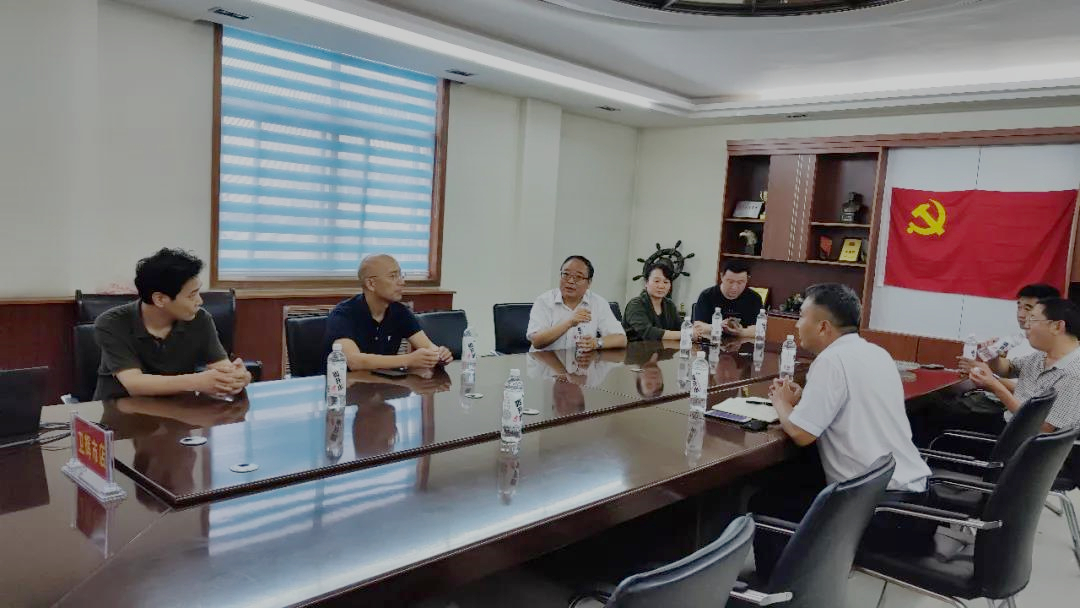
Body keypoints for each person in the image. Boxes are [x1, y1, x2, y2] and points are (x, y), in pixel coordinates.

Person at [750, 283, 932, 574]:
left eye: (802, 316)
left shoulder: (831, 361)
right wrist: (805, 399)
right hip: (913, 502)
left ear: (823, 327)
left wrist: (781, 402)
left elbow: (801, 434)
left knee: (768, 501)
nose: (797, 324)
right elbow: (853, 404)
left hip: (879, 511)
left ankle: (778, 590)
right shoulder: (876, 353)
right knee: (798, 481)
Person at [93, 248, 251, 400]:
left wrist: (237, 377)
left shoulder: (200, 319)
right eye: (192, 295)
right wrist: (198, 381)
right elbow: (134, 384)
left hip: (176, 410)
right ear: (160, 299)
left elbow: (222, 367)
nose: (200, 301)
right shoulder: (112, 323)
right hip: (119, 410)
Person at [966, 297, 1080, 433]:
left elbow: (1044, 429)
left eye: (1032, 319)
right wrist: (994, 356)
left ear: (1056, 327)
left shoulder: (1073, 373)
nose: (1026, 325)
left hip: (1021, 439)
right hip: (1009, 421)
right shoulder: (1043, 355)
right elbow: (1008, 369)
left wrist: (996, 387)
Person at [324, 254, 452, 371]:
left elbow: (428, 347)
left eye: (400, 275)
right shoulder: (343, 314)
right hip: (346, 386)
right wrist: (408, 360)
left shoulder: (400, 312)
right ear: (371, 284)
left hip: (386, 385)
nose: (402, 282)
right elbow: (354, 361)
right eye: (393, 276)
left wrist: (439, 354)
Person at [526, 255, 627, 352]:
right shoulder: (544, 301)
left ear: (589, 282)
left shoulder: (598, 303)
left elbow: (621, 339)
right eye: (566, 274)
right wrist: (569, 322)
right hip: (544, 362)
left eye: (578, 277)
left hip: (582, 361)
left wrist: (596, 343)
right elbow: (536, 341)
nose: (570, 281)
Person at [692, 259, 762, 340]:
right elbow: (698, 326)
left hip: (742, 344)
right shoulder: (707, 295)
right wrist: (719, 326)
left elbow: (759, 330)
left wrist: (740, 332)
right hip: (711, 343)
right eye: (730, 282)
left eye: (740, 282)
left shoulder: (754, 298)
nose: (734, 287)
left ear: (747, 279)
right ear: (722, 276)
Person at [622, 262, 682, 341]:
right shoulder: (635, 304)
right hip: (636, 348)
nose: (661, 286)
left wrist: (694, 330)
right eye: (656, 281)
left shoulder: (669, 305)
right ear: (646, 283)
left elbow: (681, 327)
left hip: (663, 348)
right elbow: (648, 333)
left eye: (666, 282)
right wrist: (685, 334)